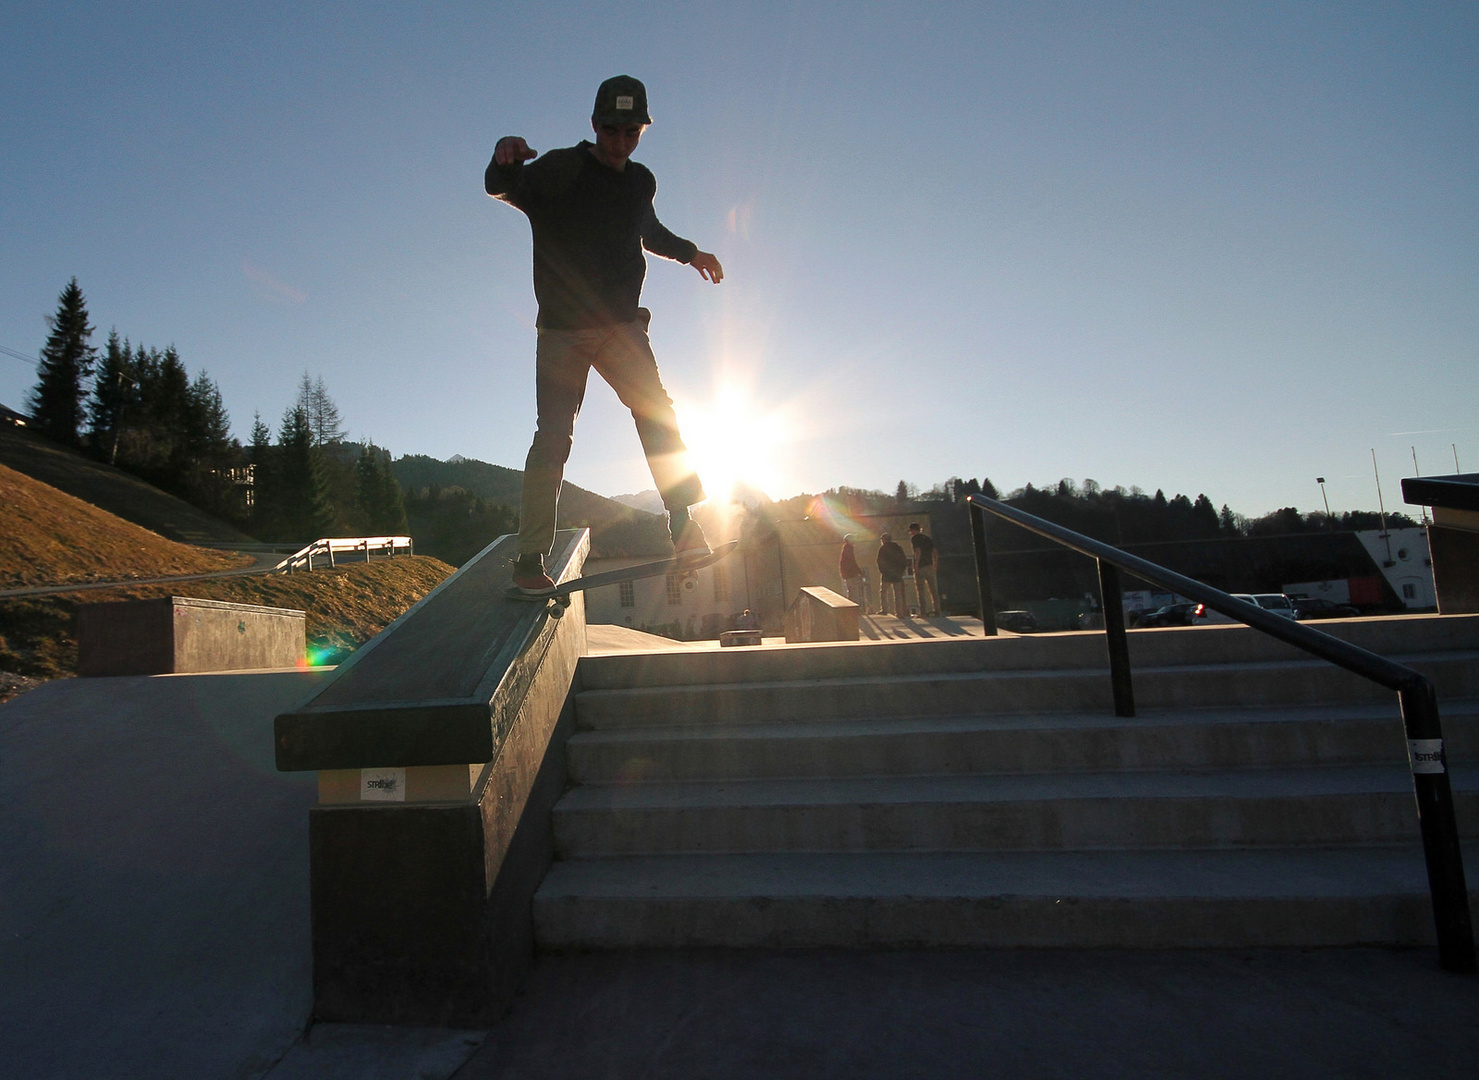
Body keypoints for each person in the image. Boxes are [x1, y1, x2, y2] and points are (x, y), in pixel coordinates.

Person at [486, 75, 725, 595]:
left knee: (655, 409)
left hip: (620, 324)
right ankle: (530, 557)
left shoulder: (640, 181)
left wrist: (692, 253)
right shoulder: (560, 169)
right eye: (612, 131)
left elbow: (650, 231)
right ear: (595, 126)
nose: (620, 142)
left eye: (631, 133)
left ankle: (682, 523)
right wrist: (504, 160)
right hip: (563, 331)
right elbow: (504, 188)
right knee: (553, 437)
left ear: (641, 131)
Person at [908, 522, 941, 617]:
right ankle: (937, 611)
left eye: (911, 531)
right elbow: (935, 552)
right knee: (934, 590)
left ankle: (923, 612)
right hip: (930, 566)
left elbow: (918, 551)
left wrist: (916, 565)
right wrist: (935, 564)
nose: (910, 533)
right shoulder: (927, 538)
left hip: (921, 567)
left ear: (914, 530)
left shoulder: (915, 539)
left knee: (921, 590)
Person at [876, 532, 908, 617]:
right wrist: (901, 571)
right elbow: (904, 560)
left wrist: (883, 571)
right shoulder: (898, 548)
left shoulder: (883, 548)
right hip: (897, 574)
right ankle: (899, 612)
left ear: (884, 540)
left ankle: (885, 609)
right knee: (898, 594)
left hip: (887, 574)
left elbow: (880, 561)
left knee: (883, 592)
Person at [838, 533, 865, 607]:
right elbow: (852, 562)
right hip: (851, 574)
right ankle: (855, 609)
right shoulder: (849, 549)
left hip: (847, 574)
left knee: (850, 592)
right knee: (854, 593)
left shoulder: (846, 548)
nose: (854, 541)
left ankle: (851, 609)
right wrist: (859, 571)